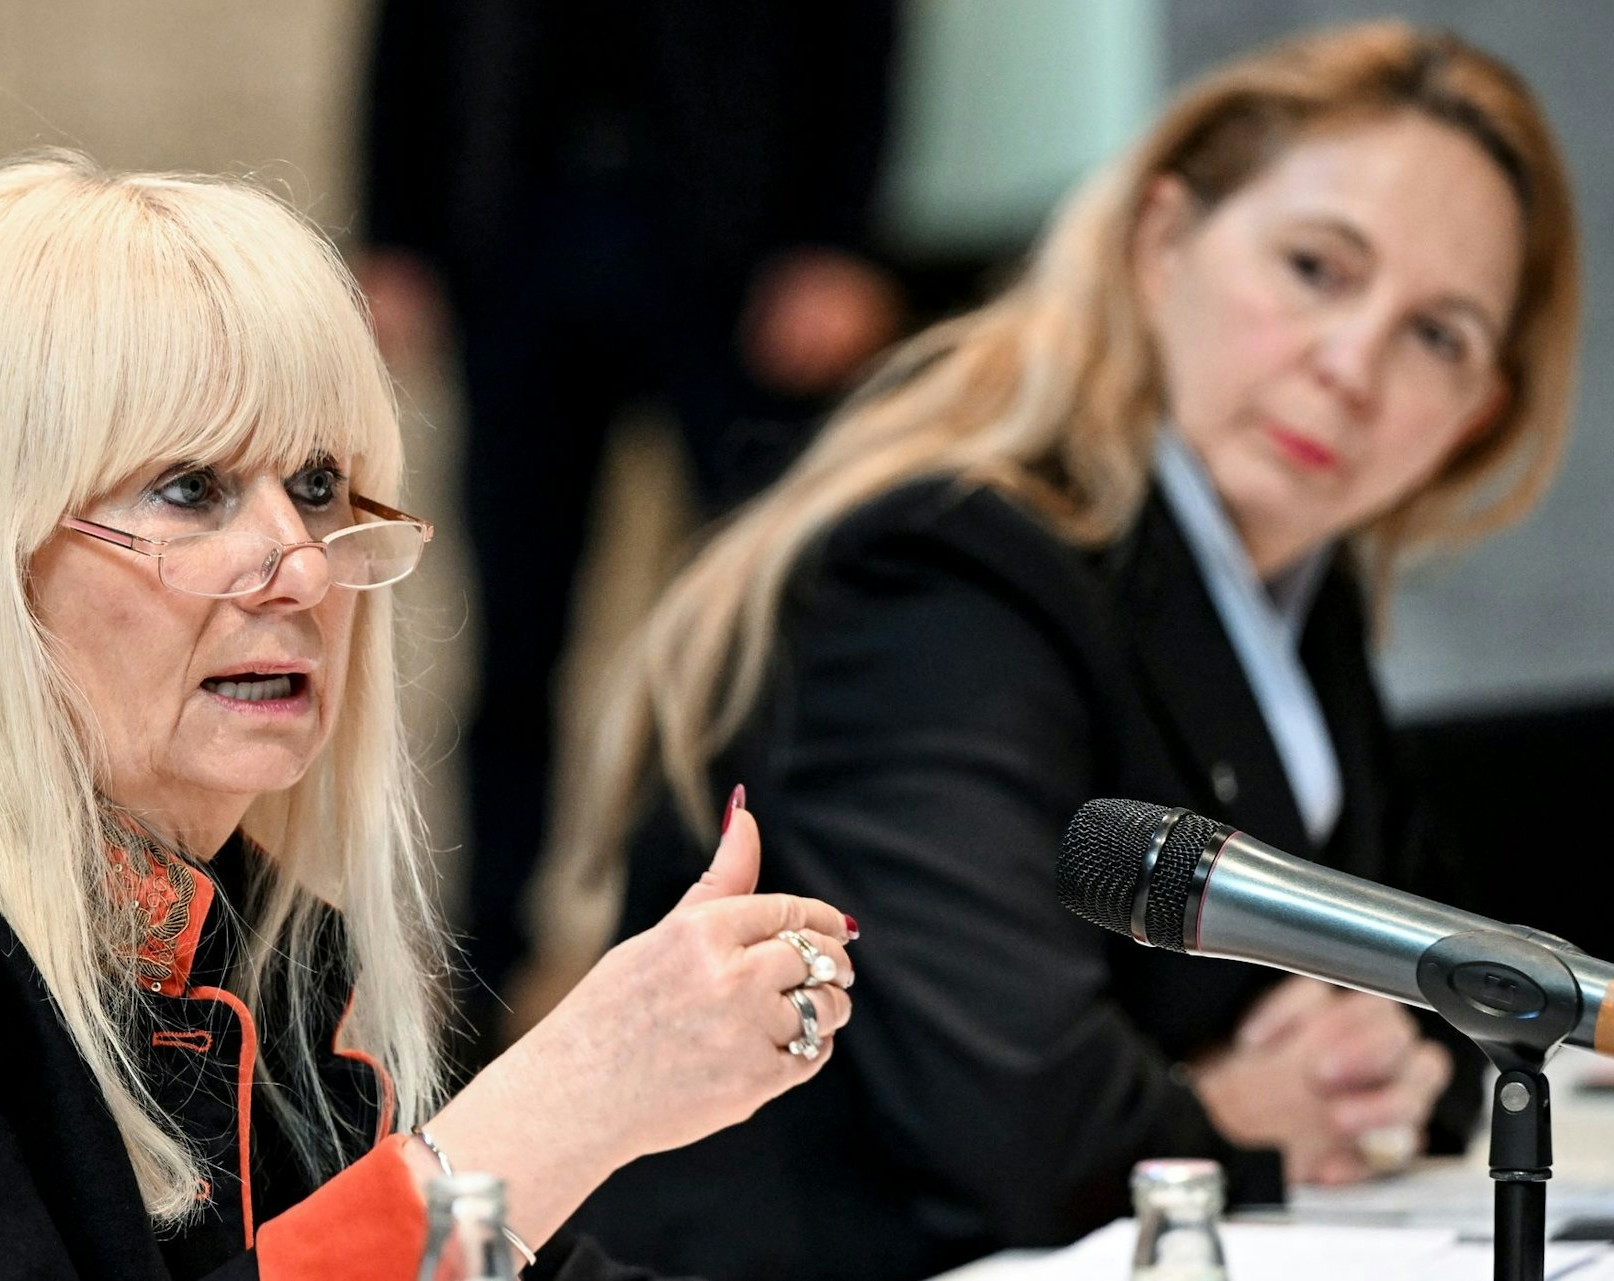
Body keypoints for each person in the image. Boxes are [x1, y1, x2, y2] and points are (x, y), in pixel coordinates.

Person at [567, 22, 1579, 1281]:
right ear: (1161, 243)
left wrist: (1363, 1075)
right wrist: (1240, 1111)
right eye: (1317, 267)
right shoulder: (944, 571)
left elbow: (1433, 1019)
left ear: (1474, 419)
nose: (1351, 363)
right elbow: (1019, 1118)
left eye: (1438, 335)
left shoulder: (1294, 609)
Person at [0, 152, 860, 1280]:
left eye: (317, 487)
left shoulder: (266, 941)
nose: (303, 573)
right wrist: (566, 1106)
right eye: (191, 487)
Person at [356, 0, 906, 1051]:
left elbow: (858, 29)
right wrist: (395, 227)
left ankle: (766, 946)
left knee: (757, 632)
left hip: (737, 238)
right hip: (519, 229)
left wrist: (838, 238)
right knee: (512, 635)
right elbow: (411, 30)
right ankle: (485, 967)